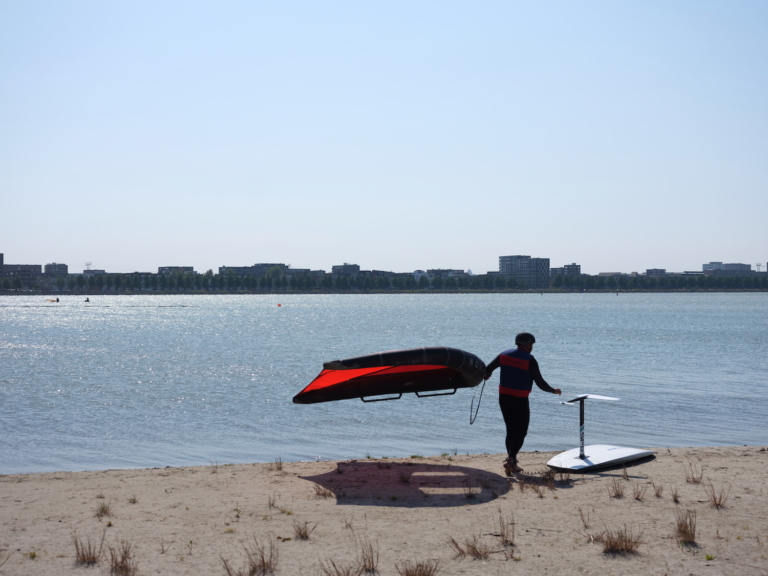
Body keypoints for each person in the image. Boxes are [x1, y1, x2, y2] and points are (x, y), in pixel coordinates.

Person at [485, 332, 561, 475]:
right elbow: (540, 383)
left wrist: (487, 376)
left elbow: (488, 369)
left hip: (503, 397)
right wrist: (553, 391)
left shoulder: (504, 354)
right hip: (519, 399)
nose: (531, 347)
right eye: (531, 344)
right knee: (521, 431)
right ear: (527, 344)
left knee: (510, 430)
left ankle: (512, 464)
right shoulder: (530, 360)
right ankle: (511, 461)